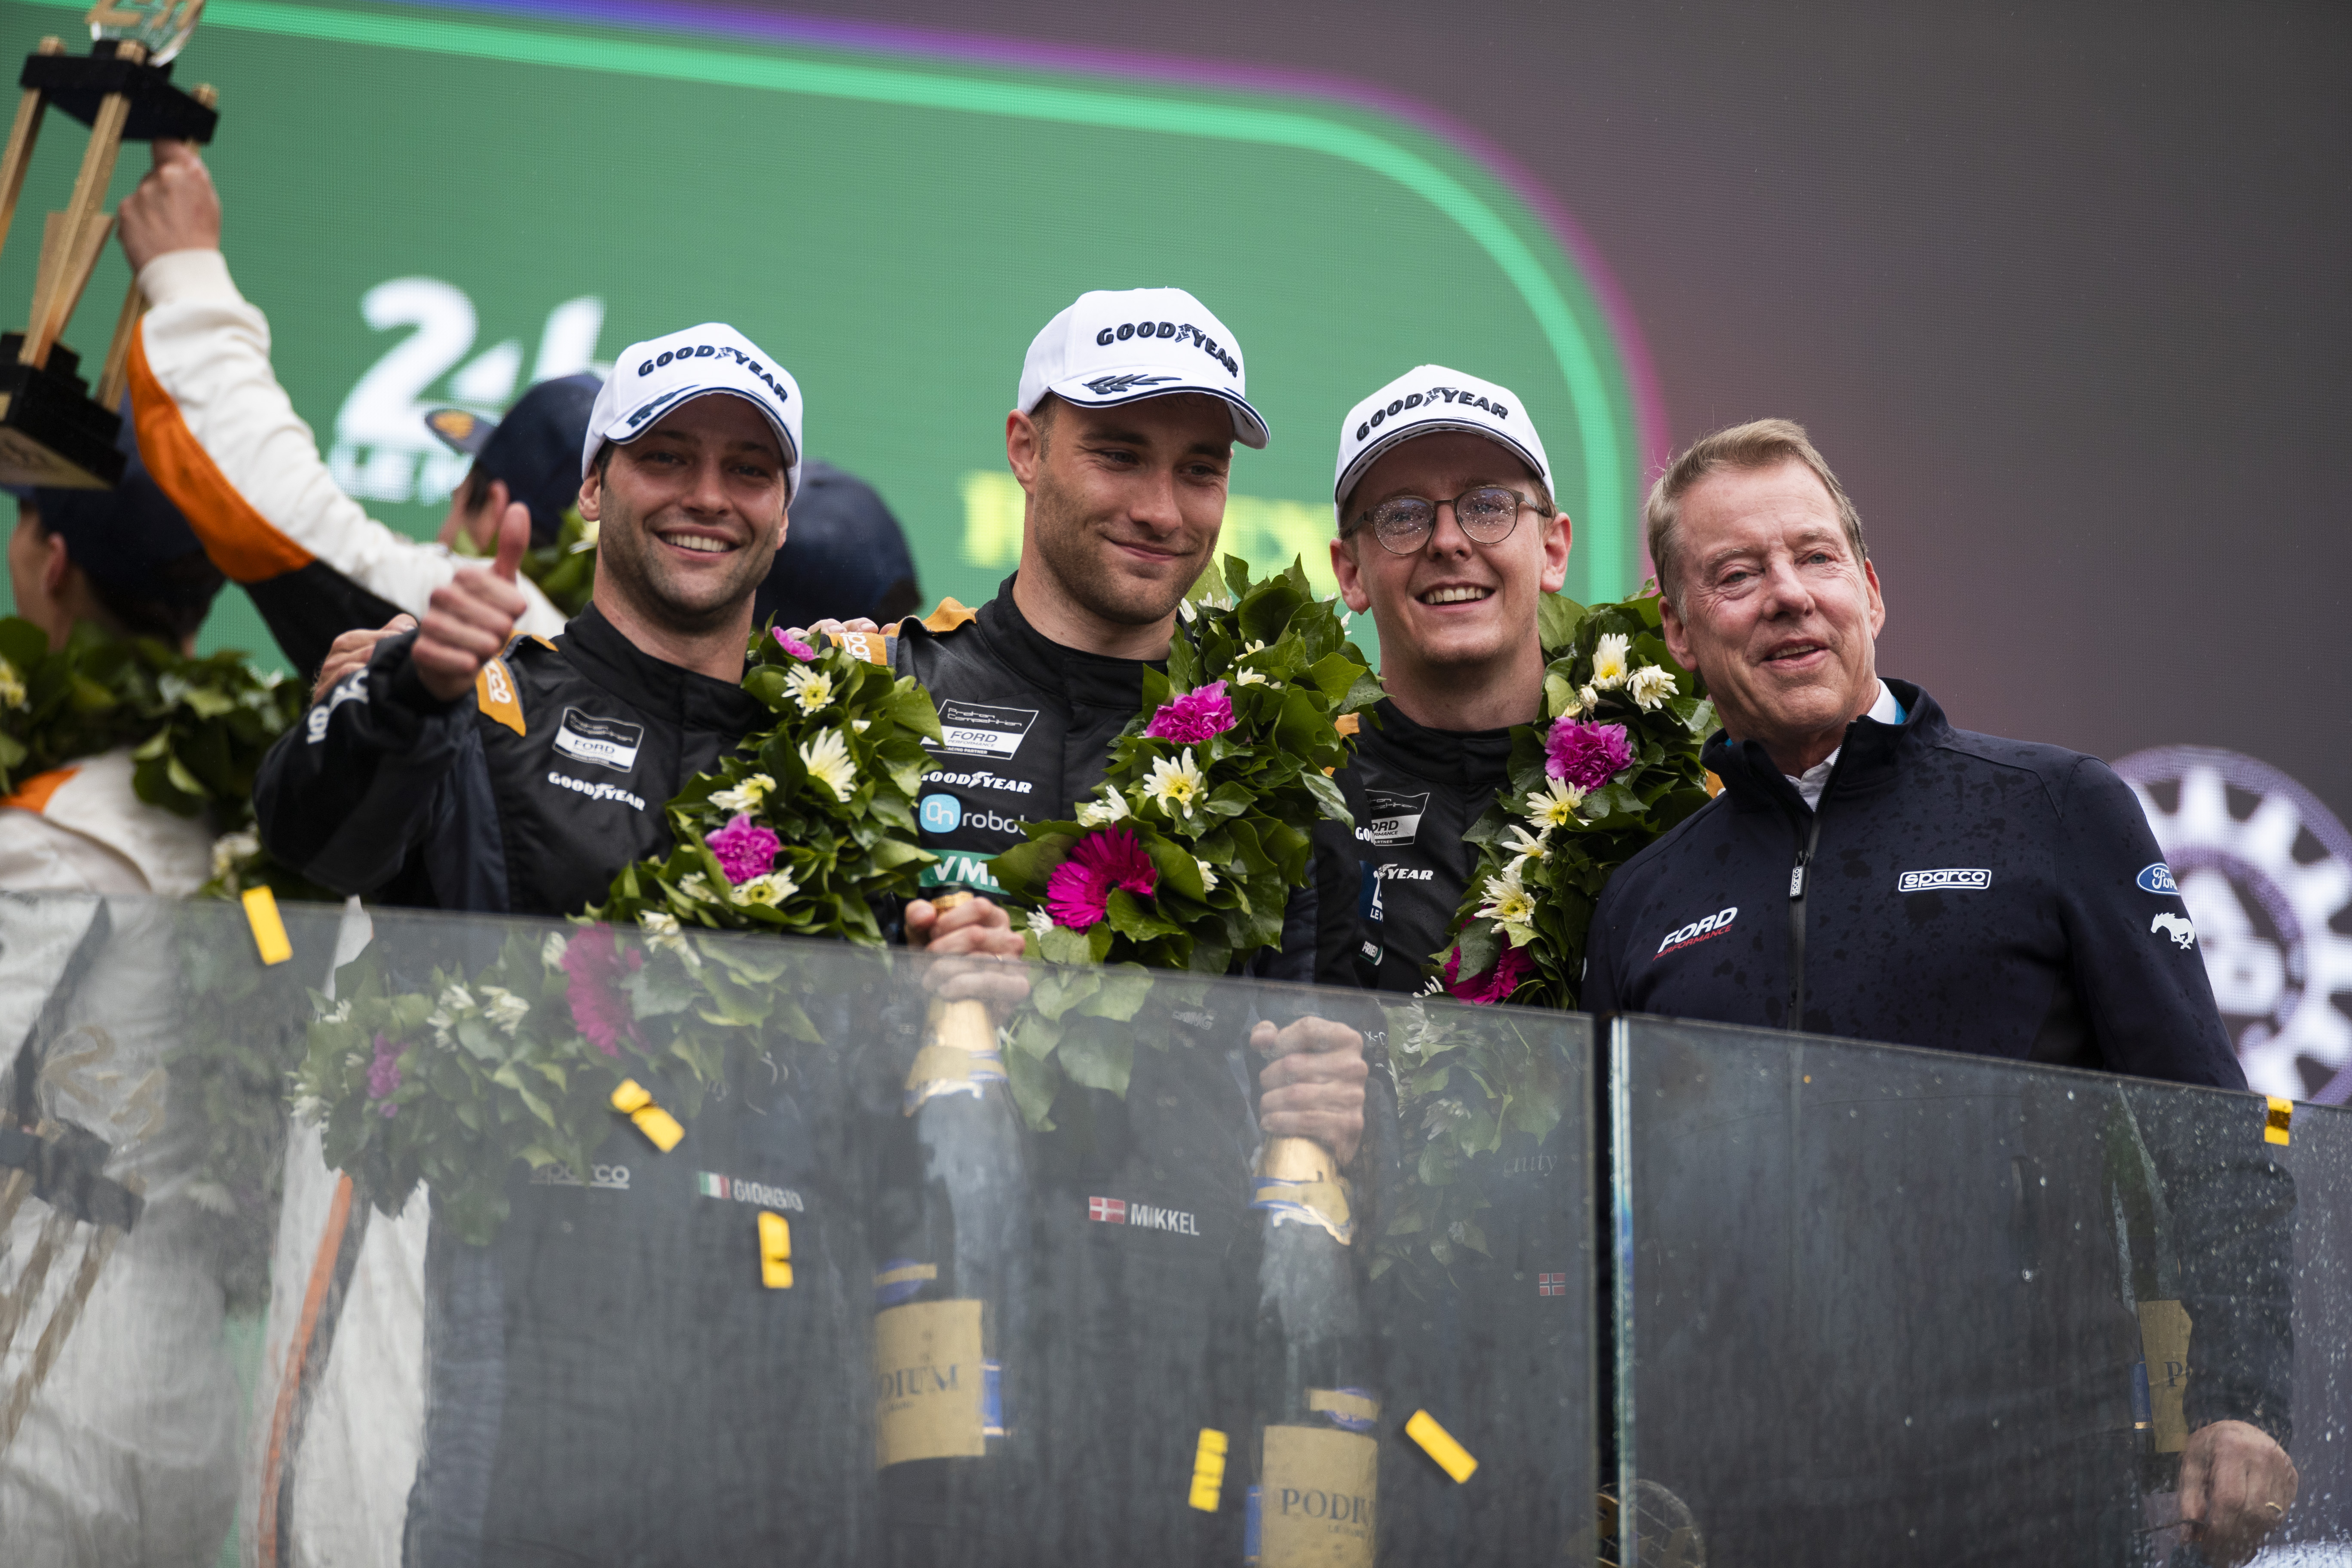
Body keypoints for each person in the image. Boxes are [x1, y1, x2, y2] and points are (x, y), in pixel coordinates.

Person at [248, 325, 1018, 1566]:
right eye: (668, 457)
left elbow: (895, 1109)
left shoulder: (848, 762)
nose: (707, 496)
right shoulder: (487, 700)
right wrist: (404, 694)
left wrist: (963, 978)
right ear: (596, 485)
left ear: (782, 510)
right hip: (532, 1376)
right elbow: (316, 843)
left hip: (789, 1401)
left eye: (748, 469)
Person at [1580, 416, 2294, 1562]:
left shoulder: (2055, 810)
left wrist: (2244, 1398)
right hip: (1742, 1507)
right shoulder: (1646, 900)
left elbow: (2208, 1128)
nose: (1788, 595)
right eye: (1736, 573)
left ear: (1870, 587)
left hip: (2027, 1497)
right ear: (1677, 627)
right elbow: (1611, 1229)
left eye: (1814, 558)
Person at [833, 288, 1369, 1563]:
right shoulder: (887, 691)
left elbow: (1323, 1074)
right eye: (1119, 453)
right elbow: (785, 1047)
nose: (1162, 508)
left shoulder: (1280, 744)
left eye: (1199, 469)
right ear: (1025, 448)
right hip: (926, 1341)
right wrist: (884, 997)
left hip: (1186, 1357)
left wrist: (1354, 1096)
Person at [0, 446, 243, 1564]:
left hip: (38, 1365)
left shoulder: (52, 831)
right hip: (193, 1377)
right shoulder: (254, 812)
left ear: (51, 562)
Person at [116, 138, 568, 677]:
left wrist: (184, 272)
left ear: (497, 511)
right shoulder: (644, 667)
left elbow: (283, 521)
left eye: (466, 482)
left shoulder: (494, 618)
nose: (449, 495)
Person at [1309, 365, 1570, 994]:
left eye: (1487, 506)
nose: (1449, 541)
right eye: (1403, 516)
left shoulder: (1669, 780)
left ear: (1553, 551)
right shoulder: (1294, 786)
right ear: (1350, 573)